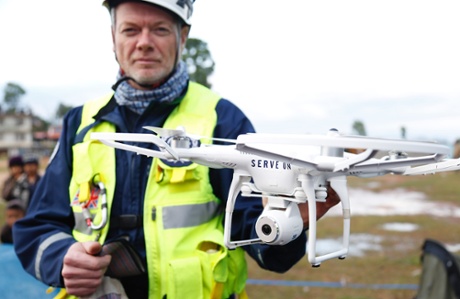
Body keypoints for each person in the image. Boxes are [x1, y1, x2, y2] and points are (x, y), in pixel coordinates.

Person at [13, 1, 340, 298]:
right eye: (130, 30)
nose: (144, 42)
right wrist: (62, 260)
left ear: (183, 37)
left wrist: (290, 223)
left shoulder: (223, 120)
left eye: (159, 29)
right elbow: (37, 227)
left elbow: (257, 239)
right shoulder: (80, 123)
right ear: (113, 38)